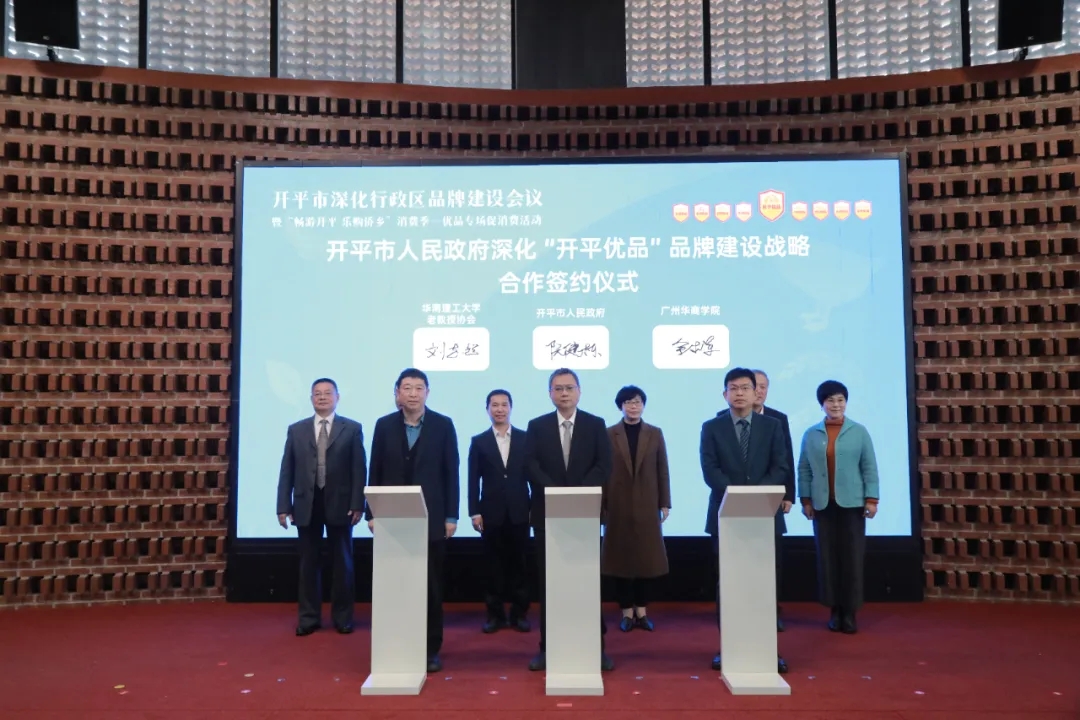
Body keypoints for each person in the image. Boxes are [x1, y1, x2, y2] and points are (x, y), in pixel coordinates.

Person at [365, 368, 459, 673]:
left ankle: (431, 649)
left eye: (419, 388)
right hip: (392, 519)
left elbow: (451, 472)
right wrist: (371, 512)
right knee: (397, 585)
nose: (413, 393)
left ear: (427, 393)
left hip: (432, 519)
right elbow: (375, 470)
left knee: (431, 587)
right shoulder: (384, 425)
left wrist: (451, 516)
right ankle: (398, 644)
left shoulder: (443, 425)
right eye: (407, 388)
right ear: (397, 393)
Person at [699, 367, 790, 674]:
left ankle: (767, 649)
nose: (739, 393)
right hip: (726, 516)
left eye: (745, 388)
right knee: (728, 585)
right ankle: (729, 648)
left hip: (765, 516)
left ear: (756, 392)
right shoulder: (712, 427)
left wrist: (756, 496)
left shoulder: (773, 426)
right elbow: (710, 470)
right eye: (733, 388)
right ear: (724, 394)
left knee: (765, 584)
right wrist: (738, 496)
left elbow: (781, 466)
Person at [523, 368, 614, 672]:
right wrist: (555, 492)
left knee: (587, 584)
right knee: (549, 585)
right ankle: (547, 648)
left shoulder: (595, 424)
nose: (564, 393)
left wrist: (577, 493)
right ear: (550, 393)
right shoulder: (536, 426)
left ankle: (597, 649)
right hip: (547, 516)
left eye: (569, 388)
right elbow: (530, 465)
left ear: (579, 392)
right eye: (558, 388)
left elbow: (604, 465)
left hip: (584, 515)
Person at [276, 378, 366, 636]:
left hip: (341, 503)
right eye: (317, 393)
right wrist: (283, 505)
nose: (323, 397)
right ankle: (308, 618)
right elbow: (287, 469)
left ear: (337, 397)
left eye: (328, 393)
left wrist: (358, 503)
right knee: (308, 564)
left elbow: (359, 469)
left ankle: (343, 618)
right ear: (311, 398)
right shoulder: (297, 430)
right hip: (306, 503)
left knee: (343, 564)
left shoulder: (352, 428)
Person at [798, 380, 880, 635]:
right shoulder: (811, 434)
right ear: (822, 404)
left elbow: (869, 466)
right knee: (827, 559)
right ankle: (834, 610)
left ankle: (850, 612)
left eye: (840, 400)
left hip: (852, 504)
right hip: (823, 505)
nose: (836, 405)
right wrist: (806, 500)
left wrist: (872, 499)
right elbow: (804, 469)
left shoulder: (859, 431)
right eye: (830, 400)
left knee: (852, 558)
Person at [601, 385, 671, 632]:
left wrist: (665, 502)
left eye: (638, 402)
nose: (633, 406)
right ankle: (626, 612)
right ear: (620, 406)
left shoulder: (655, 433)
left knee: (645, 560)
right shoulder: (608, 434)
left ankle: (641, 611)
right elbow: (602, 472)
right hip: (617, 504)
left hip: (647, 504)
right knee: (620, 561)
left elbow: (662, 469)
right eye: (629, 402)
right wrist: (602, 505)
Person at [468, 389, 531, 634]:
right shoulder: (479, 441)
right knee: (492, 567)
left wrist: (534, 508)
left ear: (511, 408)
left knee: (520, 566)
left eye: (504, 404)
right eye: (494, 405)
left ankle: (519, 614)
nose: (500, 409)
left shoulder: (526, 438)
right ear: (487, 409)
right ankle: (495, 615)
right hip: (490, 513)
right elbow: (473, 480)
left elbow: (533, 476)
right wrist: (474, 511)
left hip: (520, 511)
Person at [752, 369, 796, 632]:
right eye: (755, 386)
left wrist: (787, 494)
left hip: (771, 497)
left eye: (763, 387)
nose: (759, 391)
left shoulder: (778, 418)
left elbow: (786, 458)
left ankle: (772, 609)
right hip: (736, 502)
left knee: (772, 557)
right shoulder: (722, 418)